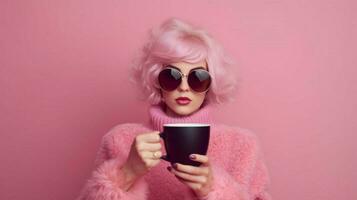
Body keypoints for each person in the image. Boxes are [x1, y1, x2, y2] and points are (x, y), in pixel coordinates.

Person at [77, 18, 272, 200]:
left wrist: (214, 190)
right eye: (171, 76)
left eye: (198, 78)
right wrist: (128, 173)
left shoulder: (243, 146)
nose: (184, 87)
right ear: (155, 80)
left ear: (211, 83)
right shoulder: (119, 140)